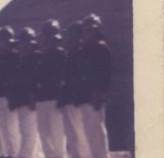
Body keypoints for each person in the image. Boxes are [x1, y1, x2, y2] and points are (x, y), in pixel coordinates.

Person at [75, 14, 112, 158]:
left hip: (95, 96)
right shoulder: (85, 50)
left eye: (89, 30)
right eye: (85, 31)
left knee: (96, 132)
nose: (86, 33)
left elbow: (104, 75)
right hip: (85, 95)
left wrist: (100, 94)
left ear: (96, 31)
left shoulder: (101, 49)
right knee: (88, 133)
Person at [35, 19, 68, 158]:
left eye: (49, 37)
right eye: (45, 36)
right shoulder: (40, 56)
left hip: (55, 98)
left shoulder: (61, 54)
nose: (46, 40)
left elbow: (63, 77)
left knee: (57, 135)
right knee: (44, 134)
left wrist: (62, 96)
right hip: (42, 98)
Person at [0, 26, 21, 157]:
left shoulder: (15, 57)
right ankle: (4, 154)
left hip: (10, 97)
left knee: (10, 129)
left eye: (1, 41)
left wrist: (13, 97)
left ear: (9, 41)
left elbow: (16, 79)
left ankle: (13, 154)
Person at [12, 28, 43, 158]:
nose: (22, 46)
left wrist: (33, 96)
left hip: (30, 99)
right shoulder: (21, 60)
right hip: (22, 100)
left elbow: (35, 79)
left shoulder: (35, 58)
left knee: (29, 132)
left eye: (25, 43)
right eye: (21, 43)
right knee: (26, 131)